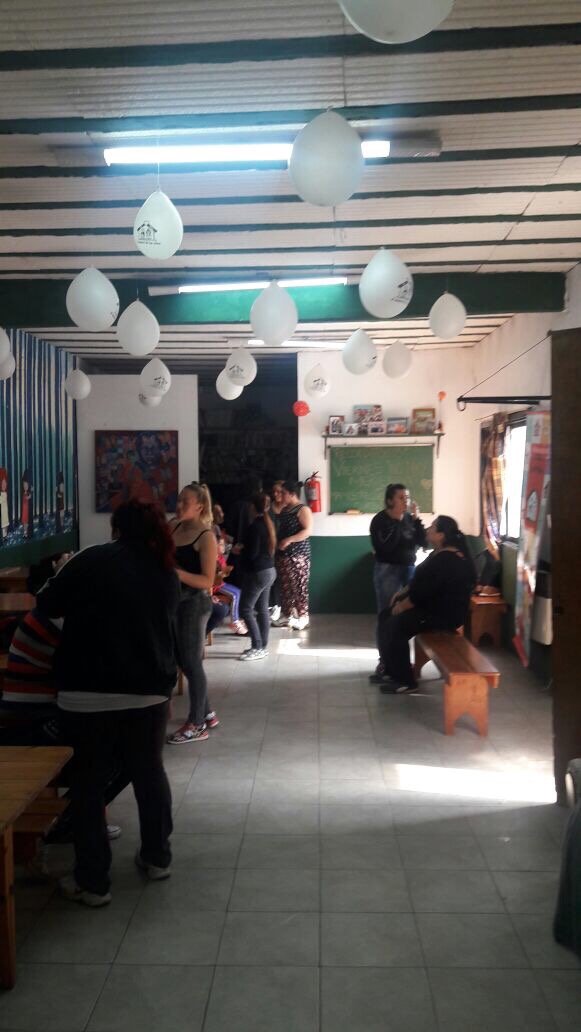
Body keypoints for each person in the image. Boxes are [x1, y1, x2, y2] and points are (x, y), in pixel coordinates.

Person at [35, 500, 180, 906]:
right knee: (149, 772)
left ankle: (93, 882)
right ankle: (157, 857)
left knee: (88, 783)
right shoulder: (164, 570)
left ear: (116, 528)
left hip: (86, 692)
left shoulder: (88, 560)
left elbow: (46, 604)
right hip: (148, 690)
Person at [375, 515, 476, 694]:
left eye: (433, 527)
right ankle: (390, 670)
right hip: (431, 609)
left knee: (395, 625)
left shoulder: (447, 559)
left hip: (443, 616)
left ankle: (405, 680)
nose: (428, 529)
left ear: (441, 536)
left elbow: (422, 593)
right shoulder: (439, 552)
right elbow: (419, 580)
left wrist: (401, 607)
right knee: (385, 616)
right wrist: (403, 592)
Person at [166, 482, 220, 745]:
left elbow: (207, 580)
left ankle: (197, 724)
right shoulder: (173, 527)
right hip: (174, 602)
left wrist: (177, 574)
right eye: (178, 501)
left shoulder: (206, 537)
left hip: (195, 604)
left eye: (185, 502)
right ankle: (206, 712)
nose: (179, 506)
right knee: (183, 659)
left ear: (199, 506)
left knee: (190, 662)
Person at [369, 483, 426, 678]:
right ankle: (385, 661)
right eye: (401, 498)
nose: (406, 501)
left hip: (409, 569)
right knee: (387, 615)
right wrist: (399, 523)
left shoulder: (409, 518)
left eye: (407, 497)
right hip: (388, 571)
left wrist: (417, 520)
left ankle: (401, 660)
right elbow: (386, 548)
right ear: (389, 501)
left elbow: (423, 542)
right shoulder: (380, 521)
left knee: (406, 616)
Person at [239, 492, 277, 660]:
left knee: (245, 609)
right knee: (262, 609)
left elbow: (252, 554)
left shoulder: (254, 527)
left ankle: (257, 646)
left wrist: (240, 551)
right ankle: (262, 646)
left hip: (258, 573)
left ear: (253, 507)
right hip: (269, 571)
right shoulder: (269, 524)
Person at [274, 480, 313, 630]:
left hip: (298, 554)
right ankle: (287, 615)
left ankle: (303, 616)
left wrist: (289, 540)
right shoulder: (284, 509)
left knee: (299, 586)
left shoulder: (303, 509)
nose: (280, 495)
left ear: (292, 494)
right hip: (283, 554)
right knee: (285, 586)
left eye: (283, 493)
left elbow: (307, 531)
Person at [268, 481, 284, 622]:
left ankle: (282, 606)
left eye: (279, 491)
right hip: (271, 547)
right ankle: (274, 605)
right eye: (274, 491)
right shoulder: (269, 508)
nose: (276, 494)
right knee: (272, 577)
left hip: (285, 548)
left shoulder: (288, 508)